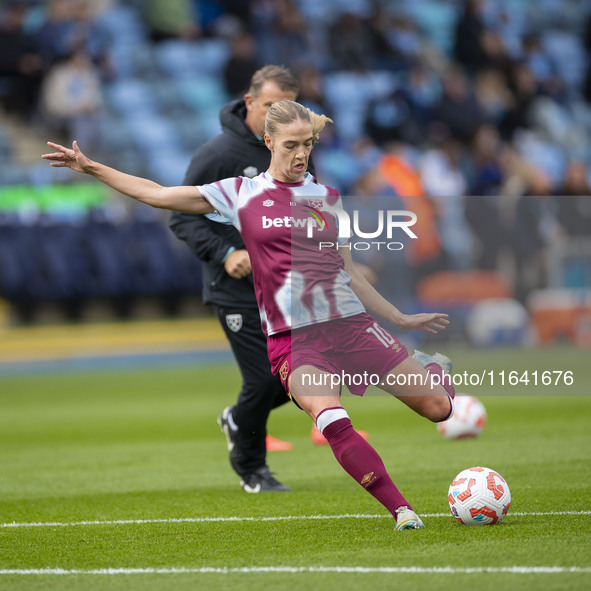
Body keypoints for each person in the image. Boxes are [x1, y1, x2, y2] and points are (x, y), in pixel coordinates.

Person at [43, 99, 456, 531]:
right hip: (295, 342)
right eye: (291, 145)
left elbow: (348, 272)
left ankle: (432, 372)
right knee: (332, 419)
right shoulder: (240, 194)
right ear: (269, 142)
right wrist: (92, 168)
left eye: (308, 145)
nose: (300, 155)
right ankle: (401, 511)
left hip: (351, 327)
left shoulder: (328, 199)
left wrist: (400, 318)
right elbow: (158, 194)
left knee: (438, 408)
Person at [169, 65, 300, 494]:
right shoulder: (219, 154)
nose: (277, 117)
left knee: (315, 375)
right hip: (234, 289)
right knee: (264, 378)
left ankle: (238, 418)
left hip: (282, 287)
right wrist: (226, 253)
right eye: (269, 107)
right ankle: (252, 469)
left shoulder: (291, 149)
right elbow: (180, 219)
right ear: (249, 102)